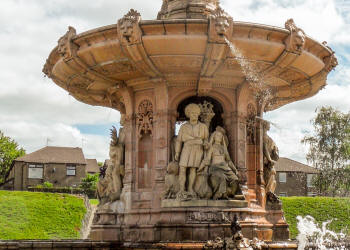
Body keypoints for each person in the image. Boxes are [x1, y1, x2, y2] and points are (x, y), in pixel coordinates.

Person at [175, 103, 209, 198]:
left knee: (193, 169)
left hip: (197, 149)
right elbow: (179, 140)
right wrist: (177, 152)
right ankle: (181, 190)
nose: (194, 115)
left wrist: (206, 144)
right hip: (187, 148)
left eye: (196, 113)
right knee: (182, 168)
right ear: (189, 114)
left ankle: (190, 189)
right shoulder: (184, 126)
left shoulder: (203, 127)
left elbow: (206, 139)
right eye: (192, 113)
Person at [199, 126, 239, 199]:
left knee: (235, 179)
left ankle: (227, 193)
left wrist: (235, 169)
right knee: (222, 178)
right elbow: (207, 160)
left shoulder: (224, 148)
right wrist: (201, 169)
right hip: (215, 168)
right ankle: (218, 195)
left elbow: (229, 160)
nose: (219, 137)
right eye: (217, 135)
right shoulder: (211, 147)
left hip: (225, 168)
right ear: (213, 137)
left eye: (220, 136)